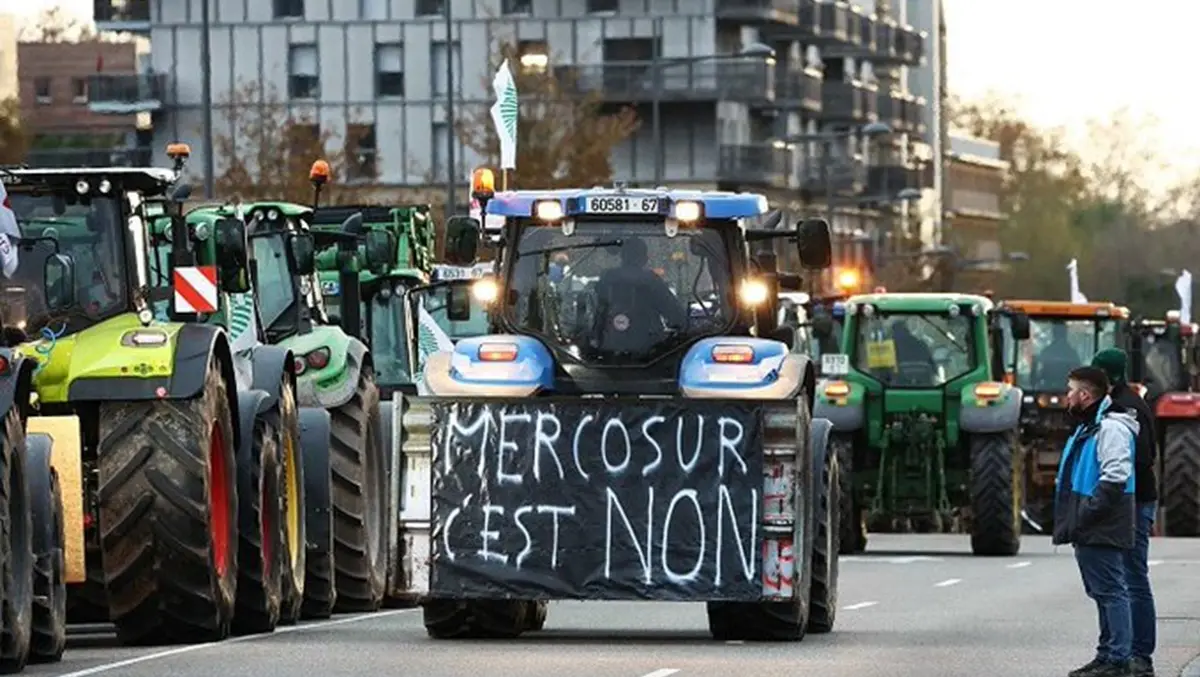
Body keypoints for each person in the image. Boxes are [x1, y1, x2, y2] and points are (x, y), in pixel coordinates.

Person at [1055, 366, 1139, 677]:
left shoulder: (1110, 429)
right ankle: (1106, 655)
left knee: (1111, 592)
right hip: (1092, 521)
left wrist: (1087, 513)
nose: (1067, 397)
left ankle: (1117, 659)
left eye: (1071, 391)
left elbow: (1116, 477)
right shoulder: (1091, 426)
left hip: (1102, 522)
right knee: (1102, 592)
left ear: (1085, 395)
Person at [1092, 348, 1158, 677]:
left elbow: (1143, 458)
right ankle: (1121, 651)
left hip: (1135, 501)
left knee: (1132, 579)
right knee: (1124, 579)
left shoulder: (1128, 408)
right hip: (1131, 500)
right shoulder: (1119, 403)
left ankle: (1139, 655)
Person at [594, 238, 685, 350]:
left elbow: (595, 314)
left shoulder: (607, 278)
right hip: (650, 351)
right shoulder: (652, 281)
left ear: (622, 256)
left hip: (606, 348)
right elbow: (676, 316)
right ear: (644, 259)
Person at [1036, 323, 1083, 389]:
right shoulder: (1072, 353)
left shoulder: (1046, 351)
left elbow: (1039, 369)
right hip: (1059, 387)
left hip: (1054, 387)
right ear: (1066, 334)